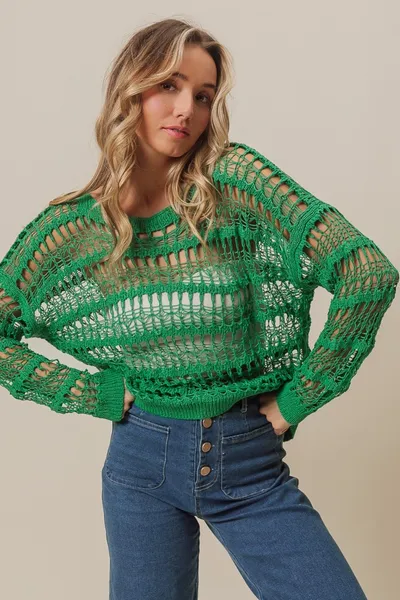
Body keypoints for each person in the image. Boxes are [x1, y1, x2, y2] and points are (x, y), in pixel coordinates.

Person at [0, 17, 398, 600]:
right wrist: (89, 392)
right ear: (130, 90)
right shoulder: (74, 228)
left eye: (204, 96)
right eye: (169, 85)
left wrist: (298, 400)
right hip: (140, 466)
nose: (187, 109)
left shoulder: (236, 182)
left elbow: (367, 273)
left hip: (247, 457)